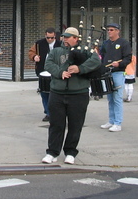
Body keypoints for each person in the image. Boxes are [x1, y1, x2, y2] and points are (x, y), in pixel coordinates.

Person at [42, 27, 101, 165]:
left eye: (68, 37)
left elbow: (96, 62)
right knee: (56, 124)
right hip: (57, 93)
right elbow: (48, 64)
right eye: (64, 36)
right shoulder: (56, 51)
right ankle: (52, 152)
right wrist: (60, 73)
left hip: (78, 93)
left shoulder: (86, 52)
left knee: (75, 125)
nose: (65, 39)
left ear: (76, 38)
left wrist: (80, 68)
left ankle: (70, 152)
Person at [99, 23, 132, 132]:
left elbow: (128, 58)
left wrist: (119, 64)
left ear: (118, 31)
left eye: (112, 30)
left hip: (118, 72)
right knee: (110, 98)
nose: (109, 32)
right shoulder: (106, 43)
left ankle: (118, 123)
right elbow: (102, 56)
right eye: (108, 30)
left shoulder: (124, 43)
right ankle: (111, 120)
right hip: (107, 73)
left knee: (117, 98)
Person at [28, 28, 61, 122]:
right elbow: (31, 52)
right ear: (45, 35)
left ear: (55, 36)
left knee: (54, 94)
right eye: (48, 38)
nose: (50, 39)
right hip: (42, 71)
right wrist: (34, 57)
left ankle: (55, 113)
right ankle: (48, 113)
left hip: (56, 72)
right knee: (44, 93)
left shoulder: (60, 44)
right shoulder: (39, 44)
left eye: (52, 38)